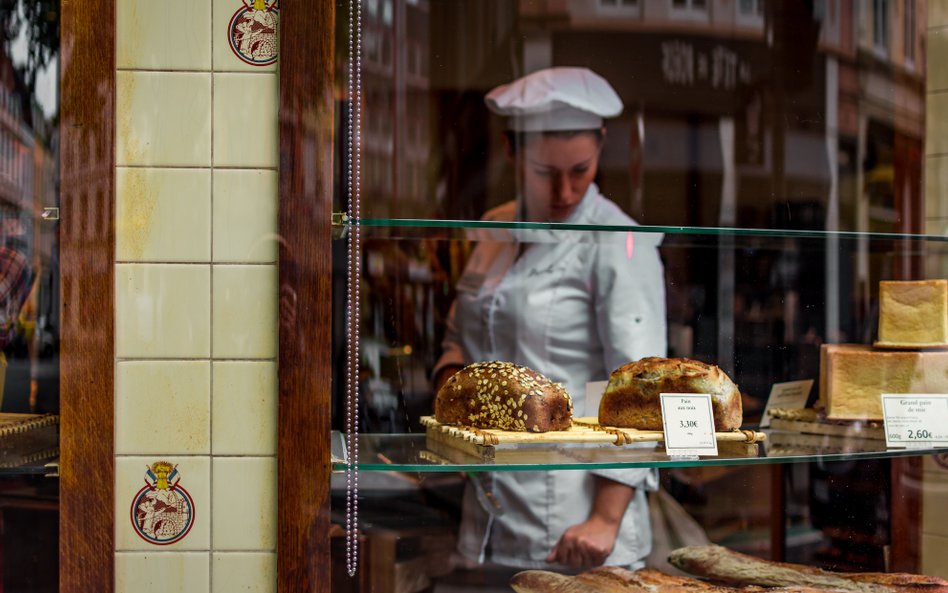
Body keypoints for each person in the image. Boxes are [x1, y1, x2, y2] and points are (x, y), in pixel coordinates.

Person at [432, 67, 668, 571]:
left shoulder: (619, 241)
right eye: (544, 172)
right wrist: (454, 399)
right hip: (488, 515)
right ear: (511, 151)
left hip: (576, 526)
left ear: (602, 146)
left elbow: (641, 393)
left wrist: (604, 520)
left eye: (580, 170)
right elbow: (460, 338)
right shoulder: (493, 228)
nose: (564, 191)